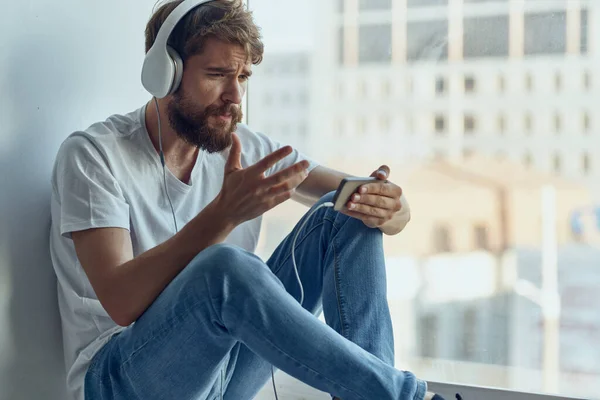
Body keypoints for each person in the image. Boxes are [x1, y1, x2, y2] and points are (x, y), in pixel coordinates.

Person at [49, 1, 447, 399]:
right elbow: (121, 302)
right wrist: (223, 214)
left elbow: (361, 195)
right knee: (225, 267)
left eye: (243, 76)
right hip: (120, 380)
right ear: (165, 75)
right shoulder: (93, 155)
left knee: (344, 212)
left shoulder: (246, 148)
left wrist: (393, 208)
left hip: (225, 371)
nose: (234, 95)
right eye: (218, 75)